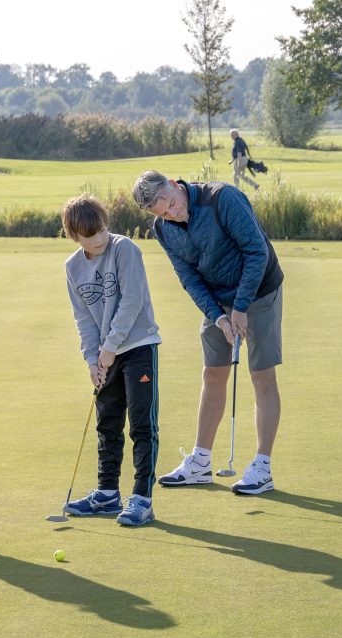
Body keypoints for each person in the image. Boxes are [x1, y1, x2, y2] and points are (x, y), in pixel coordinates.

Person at [132, 170, 284, 495]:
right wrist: (218, 317)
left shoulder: (221, 199)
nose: (174, 214)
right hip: (217, 299)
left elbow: (257, 252)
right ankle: (200, 462)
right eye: (164, 213)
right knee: (212, 374)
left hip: (258, 291)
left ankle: (263, 467)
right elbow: (188, 277)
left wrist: (241, 308)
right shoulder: (163, 228)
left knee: (261, 376)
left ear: (174, 185)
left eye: (172, 204)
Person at [60, 195, 162, 526]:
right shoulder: (73, 267)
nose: (100, 238)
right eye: (91, 234)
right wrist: (93, 359)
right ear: (75, 236)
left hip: (138, 345)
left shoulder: (125, 249)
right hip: (105, 354)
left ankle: (142, 499)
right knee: (107, 423)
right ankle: (107, 494)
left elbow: (132, 300)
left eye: (103, 229)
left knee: (142, 424)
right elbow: (84, 319)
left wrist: (110, 347)